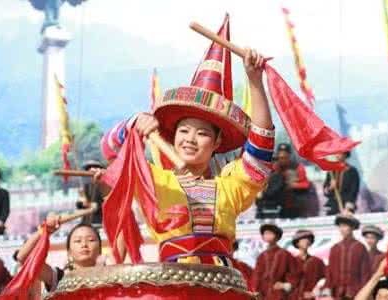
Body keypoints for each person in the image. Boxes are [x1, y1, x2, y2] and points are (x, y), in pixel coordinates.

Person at [99, 15, 274, 268]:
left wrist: (255, 82)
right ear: (173, 135)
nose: (190, 139)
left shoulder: (230, 186)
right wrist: (133, 125)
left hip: (222, 287)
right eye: (184, 131)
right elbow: (111, 152)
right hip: (173, 284)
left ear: (217, 143)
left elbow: (261, 148)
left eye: (202, 133)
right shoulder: (155, 181)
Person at [15, 214, 103, 292]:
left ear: (100, 250)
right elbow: (24, 257)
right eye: (78, 241)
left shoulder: (110, 276)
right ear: (69, 252)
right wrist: (45, 230)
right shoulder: (59, 278)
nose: (84, 244)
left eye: (91, 240)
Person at [257, 143, 313, 219]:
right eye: (280, 157)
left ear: (289, 156)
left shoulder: (297, 167)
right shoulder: (274, 167)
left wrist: (293, 185)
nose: (282, 160)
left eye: (285, 157)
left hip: (294, 205)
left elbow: (306, 184)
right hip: (276, 205)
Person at [323, 214, 370, 299]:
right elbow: (329, 271)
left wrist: (365, 292)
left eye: (345, 226)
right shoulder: (335, 248)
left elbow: (365, 273)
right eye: (340, 226)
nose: (342, 229)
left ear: (352, 227)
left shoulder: (360, 247)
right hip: (337, 293)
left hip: (356, 292)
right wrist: (327, 290)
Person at [253, 224, 302, 300]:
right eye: (265, 234)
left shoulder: (285, 254)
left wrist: (285, 285)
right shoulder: (262, 256)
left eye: (270, 233)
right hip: (263, 294)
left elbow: (295, 272)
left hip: (279, 294)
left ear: (277, 236)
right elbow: (256, 275)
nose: (267, 235)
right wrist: (255, 290)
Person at [289, 230, 325, 300]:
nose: (306, 241)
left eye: (308, 239)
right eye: (303, 239)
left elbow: (328, 278)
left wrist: (316, 291)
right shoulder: (290, 262)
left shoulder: (317, 262)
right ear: (297, 242)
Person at [76, 160, 107, 226]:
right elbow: (79, 206)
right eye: (89, 168)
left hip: (100, 222)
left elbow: (104, 204)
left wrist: (90, 205)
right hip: (87, 222)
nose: (92, 170)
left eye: (95, 167)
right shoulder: (86, 187)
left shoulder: (105, 186)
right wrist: (82, 201)